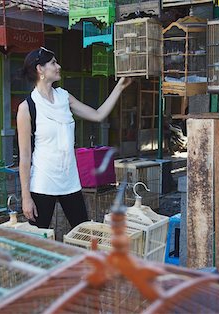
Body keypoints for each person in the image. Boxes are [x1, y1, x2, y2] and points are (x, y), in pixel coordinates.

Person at [17, 47, 133, 229]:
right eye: (53, 63)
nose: (59, 66)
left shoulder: (64, 97)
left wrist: (120, 87)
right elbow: (24, 157)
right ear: (40, 69)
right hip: (42, 182)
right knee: (38, 242)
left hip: (70, 181)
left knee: (84, 234)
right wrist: (26, 197)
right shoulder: (27, 107)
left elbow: (98, 115)